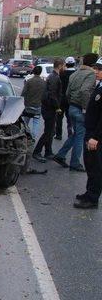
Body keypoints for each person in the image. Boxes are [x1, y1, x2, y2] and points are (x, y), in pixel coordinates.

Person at [54, 53, 98, 171]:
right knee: (80, 137)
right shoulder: (90, 75)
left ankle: (60, 155)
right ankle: (75, 163)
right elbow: (85, 91)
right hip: (80, 108)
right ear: (94, 64)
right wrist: (85, 108)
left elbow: (67, 92)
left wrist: (71, 102)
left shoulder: (75, 73)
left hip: (72, 107)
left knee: (75, 134)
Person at [73, 61, 102, 209]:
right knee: (90, 165)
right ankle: (89, 192)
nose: (96, 72)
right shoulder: (100, 85)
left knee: (96, 167)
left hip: (95, 136)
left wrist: (95, 137)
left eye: (99, 69)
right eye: (96, 69)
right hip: (90, 131)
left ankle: (92, 198)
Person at [33, 58, 65, 163]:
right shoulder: (55, 77)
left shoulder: (52, 76)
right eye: (63, 66)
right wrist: (57, 107)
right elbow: (52, 94)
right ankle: (37, 152)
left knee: (51, 131)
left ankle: (48, 151)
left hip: (48, 107)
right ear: (60, 66)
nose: (64, 67)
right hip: (50, 108)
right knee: (48, 132)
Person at [55, 56, 77, 140]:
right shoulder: (76, 74)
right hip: (70, 99)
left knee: (59, 118)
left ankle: (58, 134)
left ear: (66, 64)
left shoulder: (61, 73)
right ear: (74, 63)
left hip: (61, 99)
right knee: (69, 118)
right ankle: (70, 133)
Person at [21, 65, 45, 139]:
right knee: (36, 123)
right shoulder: (44, 83)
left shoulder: (29, 81)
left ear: (33, 72)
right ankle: (33, 137)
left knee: (25, 122)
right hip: (38, 106)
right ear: (40, 72)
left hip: (28, 105)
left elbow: (23, 93)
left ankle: (24, 136)